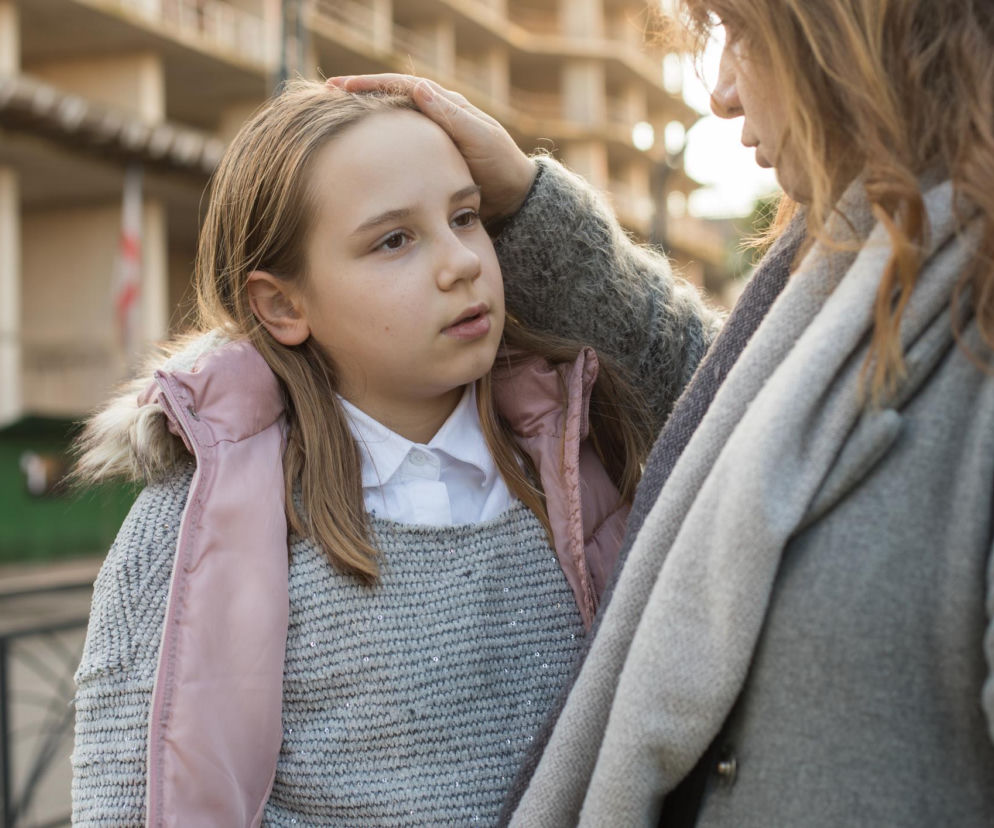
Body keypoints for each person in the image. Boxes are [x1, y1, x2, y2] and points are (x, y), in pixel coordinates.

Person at [331, 0, 994, 824]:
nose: (721, 91)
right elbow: (713, 409)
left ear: (854, 31)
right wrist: (526, 203)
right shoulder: (857, 256)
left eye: (744, 35)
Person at [68, 80, 717, 825]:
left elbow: (733, 391)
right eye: (394, 240)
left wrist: (534, 201)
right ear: (283, 305)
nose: (461, 262)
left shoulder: (585, 454)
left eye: (466, 217)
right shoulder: (189, 531)